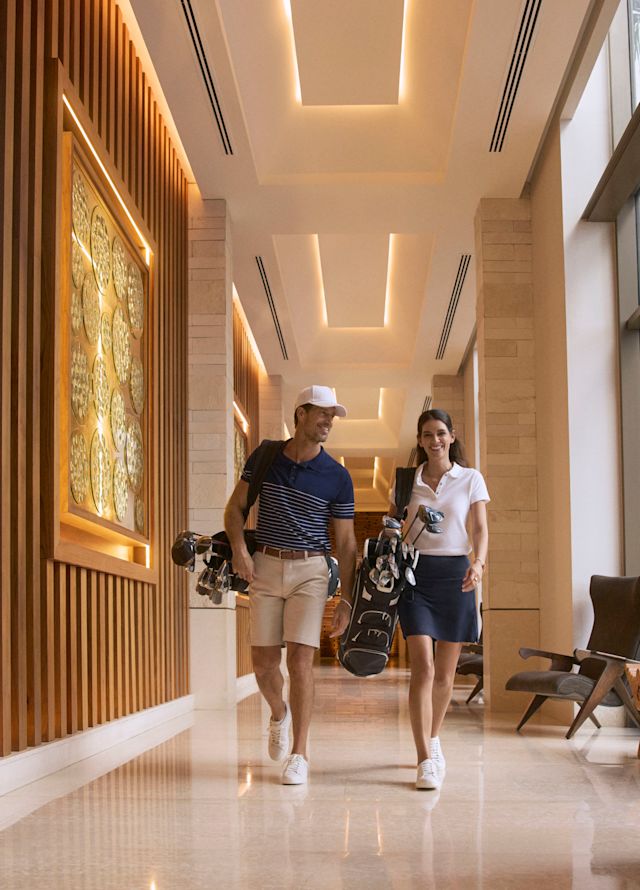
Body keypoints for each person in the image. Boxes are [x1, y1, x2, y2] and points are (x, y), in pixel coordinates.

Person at [224, 385, 357, 785]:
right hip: (264, 566)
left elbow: (347, 542)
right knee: (264, 665)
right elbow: (235, 508)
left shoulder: (337, 476)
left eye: (332, 416)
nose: (328, 422)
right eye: (322, 413)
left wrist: (347, 598)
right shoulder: (266, 457)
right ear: (300, 413)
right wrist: (239, 551)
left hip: (311, 571)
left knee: (300, 660)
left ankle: (300, 752)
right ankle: (279, 713)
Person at [388, 408, 489, 791]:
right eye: (428, 434)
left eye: (441, 433)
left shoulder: (470, 479)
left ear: (451, 436)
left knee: (446, 674)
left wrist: (478, 564)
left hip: (457, 576)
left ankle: (433, 737)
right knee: (423, 669)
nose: (435, 441)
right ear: (419, 440)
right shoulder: (404, 482)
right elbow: (392, 527)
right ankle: (424, 759)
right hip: (415, 577)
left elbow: (479, 528)